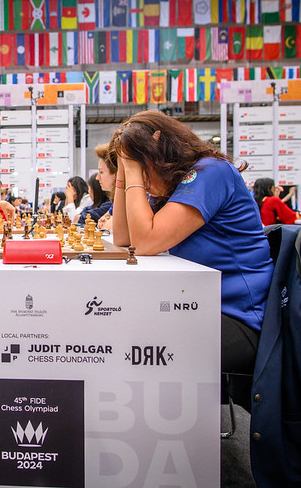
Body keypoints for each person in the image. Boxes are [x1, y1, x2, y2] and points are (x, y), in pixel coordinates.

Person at [108, 110, 273, 407]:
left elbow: (145, 242)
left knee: (131, 342)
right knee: (121, 333)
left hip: (240, 319)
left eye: (140, 164)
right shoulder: (174, 186)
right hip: (204, 307)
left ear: (160, 150)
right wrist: (124, 170)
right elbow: (124, 237)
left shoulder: (211, 172)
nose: (142, 179)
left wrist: (133, 170)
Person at [94, 142, 117, 230]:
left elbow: (109, 226)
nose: (97, 178)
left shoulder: (129, 197)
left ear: (116, 173)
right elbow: (103, 221)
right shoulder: (116, 200)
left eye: (101, 172)